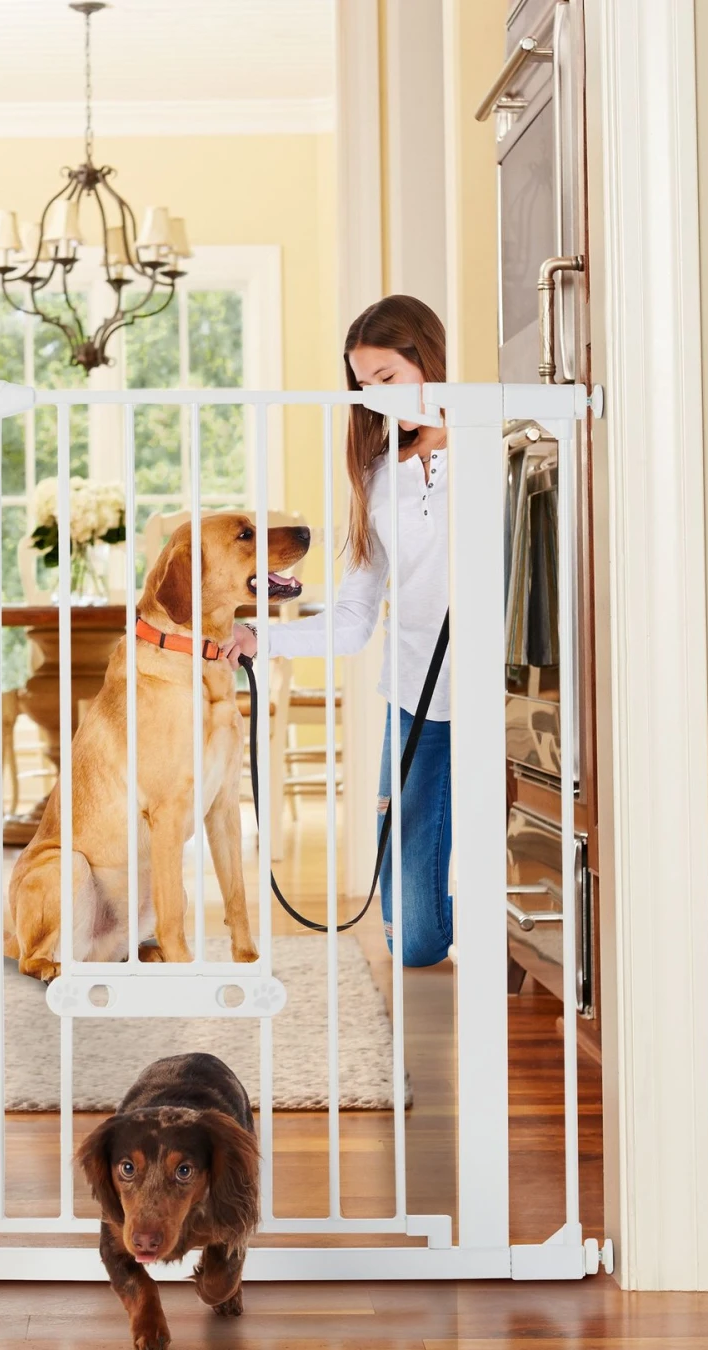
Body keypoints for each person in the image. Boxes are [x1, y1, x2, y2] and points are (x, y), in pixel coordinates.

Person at [228, 294, 452, 967]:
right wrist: (260, 638)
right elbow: (355, 619)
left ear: (427, 361)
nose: (373, 396)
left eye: (386, 378)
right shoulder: (378, 475)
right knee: (410, 942)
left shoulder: (496, 442)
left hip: (502, 693)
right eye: (362, 384)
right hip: (419, 695)